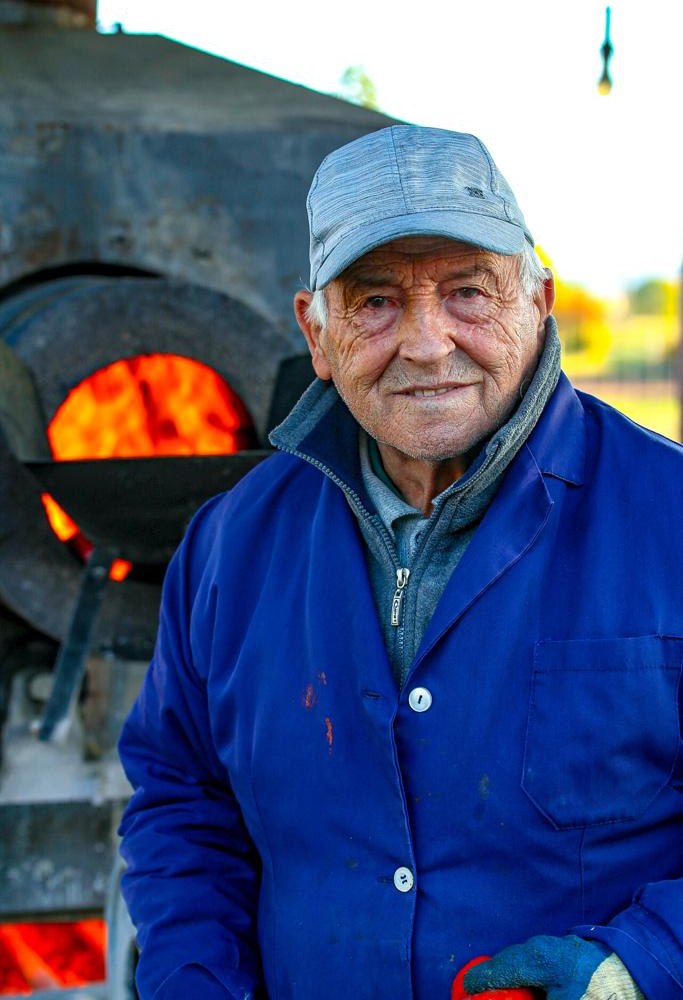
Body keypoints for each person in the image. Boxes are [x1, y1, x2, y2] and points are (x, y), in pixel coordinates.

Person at [118, 126, 683, 1000]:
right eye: (375, 300)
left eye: (468, 292)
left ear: (538, 301)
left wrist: (642, 963)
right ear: (316, 332)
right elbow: (183, 797)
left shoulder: (667, 518)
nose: (425, 343)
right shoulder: (231, 544)